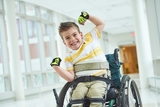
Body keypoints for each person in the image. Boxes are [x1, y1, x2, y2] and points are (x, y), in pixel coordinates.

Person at [50, 11, 109, 107]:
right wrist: (56, 67)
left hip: (99, 78)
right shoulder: (68, 57)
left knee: (96, 94)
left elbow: (101, 23)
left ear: (81, 35)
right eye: (67, 38)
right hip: (81, 82)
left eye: (74, 35)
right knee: (76, 97)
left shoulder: (90, 38)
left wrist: (88, 16)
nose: (72, 39)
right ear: (64, 42)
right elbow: (70, 78)